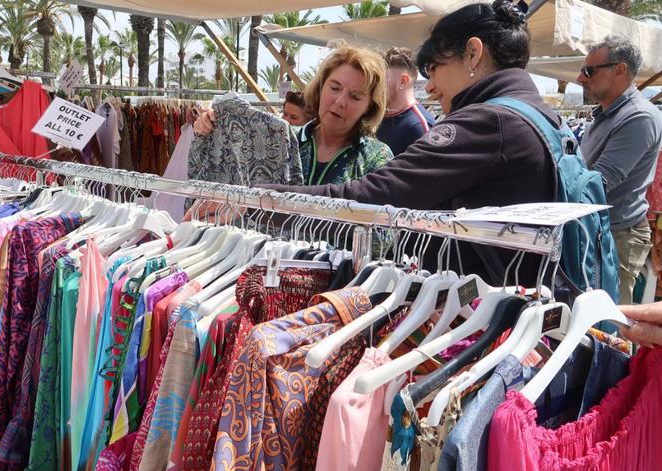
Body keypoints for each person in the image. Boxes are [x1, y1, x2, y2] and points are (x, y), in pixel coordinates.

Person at [195, 0, 558, 283]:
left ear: (474, 54)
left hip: (484, 310)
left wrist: (252, 199)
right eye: (334, 88)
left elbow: (371, 197)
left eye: (434, 70)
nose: (430, 87)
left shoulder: (489, 124)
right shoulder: (537, 117)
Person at [195, 45, 393, 186]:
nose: (340, 101)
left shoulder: (375, 158)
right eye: (334, 87)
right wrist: (211, 126)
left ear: (369, 107)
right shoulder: (282, 139)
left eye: (355, 97)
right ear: (321, 87)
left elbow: (380, 239)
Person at [576, 35, 662, 304]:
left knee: (613, 320)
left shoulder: (639, 117)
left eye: (589, 70)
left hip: (617, 236)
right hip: (601, 230)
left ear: (620, 70)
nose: (581, 78)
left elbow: (600, 182)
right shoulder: (607, 114)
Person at [377, 47, 436, 155]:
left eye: (381, 80)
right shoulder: (377, 115)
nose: (376, 86)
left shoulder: (419, 127)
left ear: (403, 82)